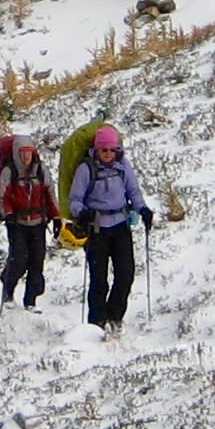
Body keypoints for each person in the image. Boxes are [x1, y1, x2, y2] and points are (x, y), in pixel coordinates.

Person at [68, 124, 152, 334]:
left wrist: (143, 209)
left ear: (117, 150)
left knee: (126, 274)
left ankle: (115, 317)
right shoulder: (86, 169)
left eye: (111, 149)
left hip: (121, 227)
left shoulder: (123, 167)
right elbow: (75, 200)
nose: (108, 154)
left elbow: (134, 191)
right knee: (99, 279)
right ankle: (96, 322)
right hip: (96, 230)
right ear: (96, 150)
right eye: (104, 150)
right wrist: (81, 213)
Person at [0, 137, 58, 307]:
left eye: (29, 152)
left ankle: (30, 301)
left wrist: (56, 217)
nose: (25, 157)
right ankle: (8, 291)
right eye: (22, 153)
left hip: (39, 224)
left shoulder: (41, 170)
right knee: (19, 260)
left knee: (37, 262)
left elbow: (50, 194)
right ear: (16, 153)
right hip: (17, 223)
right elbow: (2, 197)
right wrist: (8, 215)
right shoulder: (10, 172)